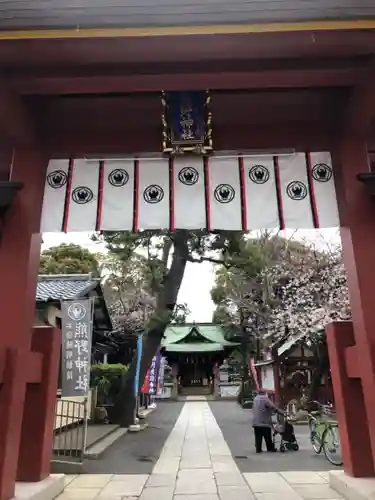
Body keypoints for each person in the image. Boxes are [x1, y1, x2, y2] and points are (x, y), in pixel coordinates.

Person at [252, 389, 283, 453]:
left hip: (256, 422)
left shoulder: (255, 399)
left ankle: (258, 448)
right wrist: (281, 412)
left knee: (258, 436)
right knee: (267, 436)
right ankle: (270, 448)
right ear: (264, 393)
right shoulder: (265, 398)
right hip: (264, 422)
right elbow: (273, 407)